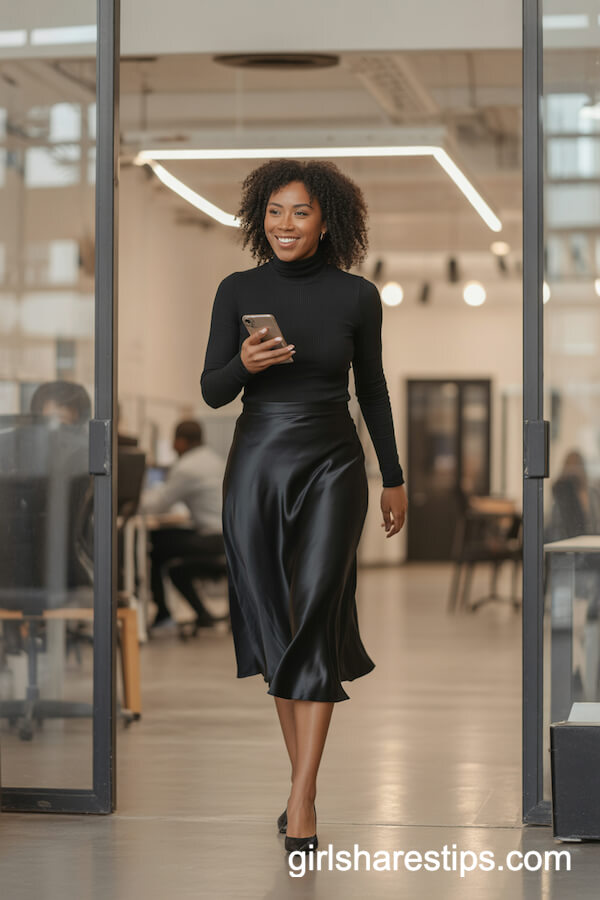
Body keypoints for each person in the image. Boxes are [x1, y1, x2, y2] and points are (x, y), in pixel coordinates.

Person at [200, 159, 408, 853]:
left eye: (301, 212)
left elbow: (372, 389)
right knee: (277, 628)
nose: (285, 225)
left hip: (333, 464)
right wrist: (245, 365)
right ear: (259, 217)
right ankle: (303, 786)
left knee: (316, 616)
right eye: (275, 211)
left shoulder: (358, 296)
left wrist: (393, 476)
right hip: (257, 464)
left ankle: (301, 797)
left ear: (327, 222)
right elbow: (212, 390)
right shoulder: (237, 290)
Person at [141, 419, 227, 631]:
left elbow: (158, 504)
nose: (172, 447)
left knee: (154, 542)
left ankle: (162, 614)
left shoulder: (187, 466)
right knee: (177, 569)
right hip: (229, 537)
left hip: (212, 538)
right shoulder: (215, 460)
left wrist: (123, 500)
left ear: (181, 441)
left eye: (174, 441)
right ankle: (203, 616)